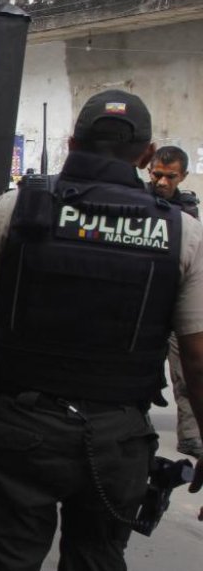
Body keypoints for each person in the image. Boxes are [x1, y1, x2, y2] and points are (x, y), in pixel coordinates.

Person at [0, 90, 203, 570]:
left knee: (9, 557)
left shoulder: (16, 209)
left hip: (23, 427)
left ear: (72, 142)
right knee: (96, 558)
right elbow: (195, 355)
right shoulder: (182, 233)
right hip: (118, 439)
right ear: (147, 155)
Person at [147, 145, 202, 458]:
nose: (163, 182)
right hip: (145, 302)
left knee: (186, 372)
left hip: (177, 302)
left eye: (171, 176)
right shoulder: (137, 200)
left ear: (182, 176)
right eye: (158, 175)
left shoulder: (187, 209)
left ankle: (191, 435)